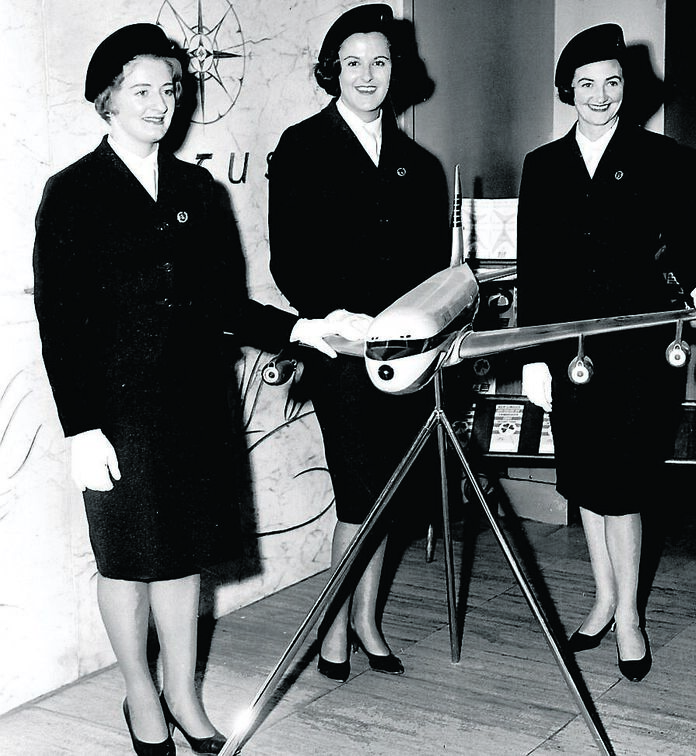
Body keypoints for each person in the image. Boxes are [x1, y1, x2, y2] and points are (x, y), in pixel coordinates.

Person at [33, 23, 363, 756]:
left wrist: (303, 330)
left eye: (170, 90)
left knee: (180, 557)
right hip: (116, 411)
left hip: (193, 402)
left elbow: (224, 303)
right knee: (127, 558)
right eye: (142, 90)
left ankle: (183, 690)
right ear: (106, 100)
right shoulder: (73, 193)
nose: (160, 103)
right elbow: (59, 320)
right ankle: (141, 695)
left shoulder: (195, 188)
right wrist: (79, 427)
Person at [516, 24, 696, 682]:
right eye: (587, 83)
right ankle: (605, 599)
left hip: (639, 348)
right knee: (585, 479)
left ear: (626, 90)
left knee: (626, 485)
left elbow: (686, 244)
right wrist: (532, 353)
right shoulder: (543, 165)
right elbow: (536, 268)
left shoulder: (658, 157)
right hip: (570, 349)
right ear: (568, 91)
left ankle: (631, 616)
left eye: (612, 82)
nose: (600, 95)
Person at [268, 4, 450, 683]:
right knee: (358, 496)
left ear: (395, 71)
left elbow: (432, 270)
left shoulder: (419, 164)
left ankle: (368, 620)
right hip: (340, 354)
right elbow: (290, 259)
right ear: (332, 70)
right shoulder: (303, 146)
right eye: (353, 62)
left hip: (405, 357)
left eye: (380, 61)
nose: (367, 75)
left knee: (392, 499)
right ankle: (333, 629)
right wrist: (337, 321)